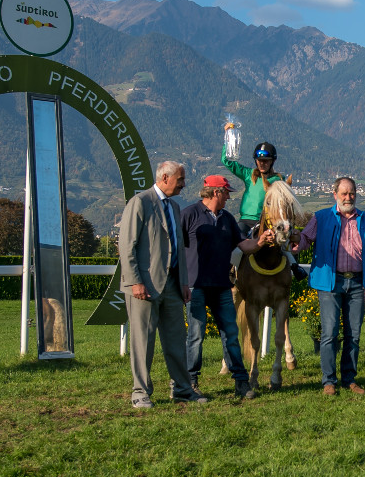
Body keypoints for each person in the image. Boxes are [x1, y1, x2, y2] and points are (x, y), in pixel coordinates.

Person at [119, 161, 207, 408]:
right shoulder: (140, 202)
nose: (183, 184)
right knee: (142, 342)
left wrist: (183, 282)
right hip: (144, 287)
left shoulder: (175, 207)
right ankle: (140, 392)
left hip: (172, 286)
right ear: (165, 177)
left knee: (176, 340)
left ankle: (181, 389)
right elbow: (127, 246)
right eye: (180, 179)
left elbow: (177, 247)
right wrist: (135, 281)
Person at [180, 174, 272, 399]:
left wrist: (259, 242)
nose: (229, 197)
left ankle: (240, 382)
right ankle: (190, 382)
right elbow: (176, 247)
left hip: (222, 285)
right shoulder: (189, 215)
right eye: (226, 192)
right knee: (196, 335)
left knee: (230, 333)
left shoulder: (227, 219)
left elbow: (243, 244)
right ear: (215, 192)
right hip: (196, 286)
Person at [291, 177, 365, 396]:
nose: (348, 197)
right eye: (344, 193)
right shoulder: (321, 217)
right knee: (329, 333)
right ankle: (328, 381)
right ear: (335, 195)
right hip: (330, 282)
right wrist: (293, 240)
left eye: (352, 193)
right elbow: (304, 240)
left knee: (354, 335)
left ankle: (349, 379)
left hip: (358, 282)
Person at [222, 138, 307, 280]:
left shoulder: (278, 180)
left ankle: (294, 266)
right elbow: (227, 162)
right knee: (233, 241)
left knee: (284, 241)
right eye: (259, 160)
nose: (262, 163)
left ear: (272, 161)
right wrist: (228, 138)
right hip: (247, 220)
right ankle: (230, 270)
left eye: (266, 160)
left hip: (269, 220)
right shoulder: (249, 175)